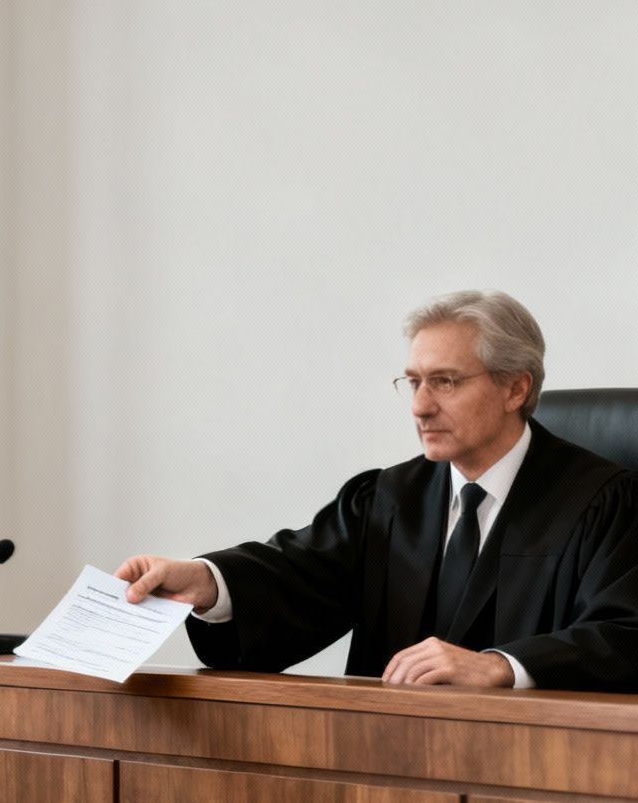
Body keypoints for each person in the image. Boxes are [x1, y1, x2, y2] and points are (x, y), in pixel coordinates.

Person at [115, 288, 638, 691]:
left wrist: (502, 666)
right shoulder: (390, 498)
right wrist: (208, 582)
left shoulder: (601, 501)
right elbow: (298, 575)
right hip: (387, 770)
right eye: (413, 382)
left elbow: (624, 634)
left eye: (445, 382)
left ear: (515, 387)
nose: (420, 406)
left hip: (539, 774)